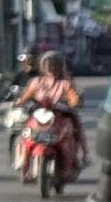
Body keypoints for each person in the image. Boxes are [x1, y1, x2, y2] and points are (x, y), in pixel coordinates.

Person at [15, 50, 84, 181]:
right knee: (25, 134)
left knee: (73, 129)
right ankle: (24, 164)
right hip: (39, 115)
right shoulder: (36, 82)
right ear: (42, 67)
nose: (51, 68)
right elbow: (25, 96)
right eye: (48, 65)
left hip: (59, 116)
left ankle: (78, 159)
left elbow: (73, 98)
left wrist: (72, 103)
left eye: (54, 65)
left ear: (60, 67)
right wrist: (20, 102)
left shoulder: (65, 83)